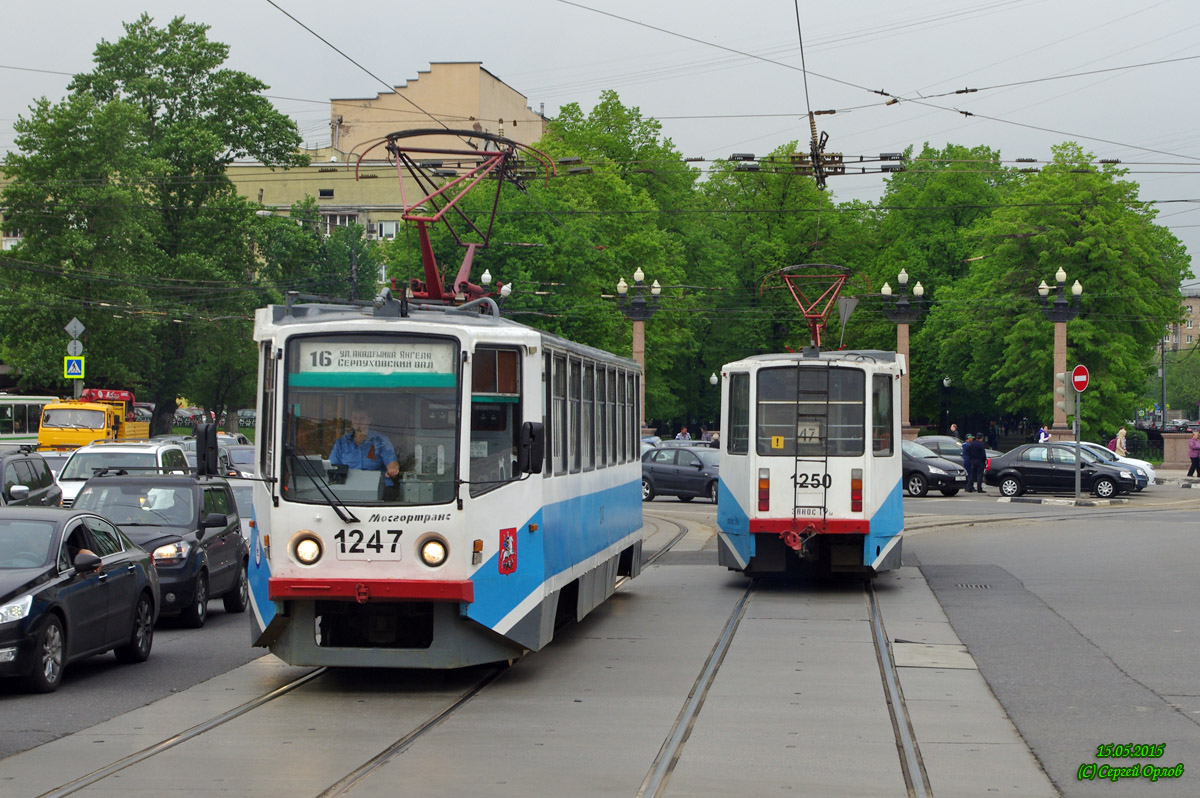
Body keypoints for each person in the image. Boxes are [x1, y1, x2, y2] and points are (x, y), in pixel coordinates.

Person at [330, 408, 400, 484]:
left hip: (377, 485)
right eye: (355, 418)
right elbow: (332, 466)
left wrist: (392, 469)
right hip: (348, 485)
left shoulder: (381, 440)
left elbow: (392, 462)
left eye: (362, 418)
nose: (358, 421)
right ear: (351, 420)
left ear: (369, 420)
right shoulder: (341, 442)